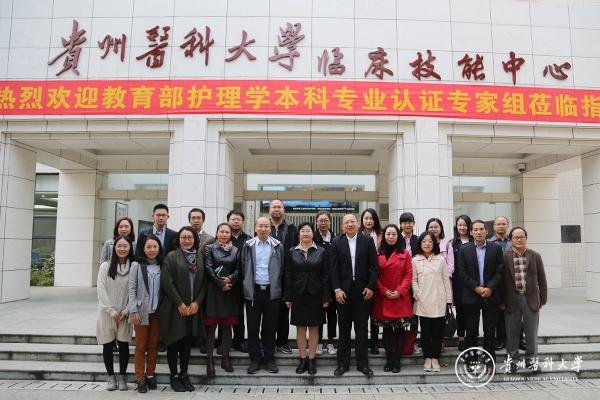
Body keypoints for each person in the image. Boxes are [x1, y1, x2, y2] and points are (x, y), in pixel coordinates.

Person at [159, 226, 207, 392]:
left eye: (190, 238)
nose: (187, 240)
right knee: (174, 341)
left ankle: (184, 374)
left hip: (192, 308)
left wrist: (197, 302)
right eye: (183, 237)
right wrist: (180, 303)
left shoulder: (199, 257)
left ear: (195, 239)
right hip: (174, 307)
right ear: (178, 240)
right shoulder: (171, 256)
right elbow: (167, 282)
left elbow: (205, 283)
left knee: (187, 343)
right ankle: (173, 376)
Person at [330, 213, 378, 377]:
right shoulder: (336, 242)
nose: (350, 225)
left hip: (363, 292)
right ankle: (342, 364)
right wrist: (337, 289)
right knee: (344, 329)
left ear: (358, 224)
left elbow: (374, 266)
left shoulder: (367, 241)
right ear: (342, 226)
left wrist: (371, 287)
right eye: (346, 223)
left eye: (352, 222)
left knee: (361, 329)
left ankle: (363, 364)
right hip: (343, 293)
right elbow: (333, 269)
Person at [284, 222, 331, 375]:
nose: (305, 233)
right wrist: (287, 296)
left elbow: (326, 275)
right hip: (298, 294)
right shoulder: (292, 251)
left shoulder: (321, 251)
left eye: (308, 231)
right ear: (299, 234)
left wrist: (326, 296)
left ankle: (311, 359)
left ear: (313, 234)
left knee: (314, 327)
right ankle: (302, 359)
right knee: (300, 328)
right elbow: (288, 275)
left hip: (316, 294)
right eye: (302, 231)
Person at [457, 220, 504, 368]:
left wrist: (490, 287)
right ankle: (471, 361)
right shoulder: (464, 249)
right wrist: (476, 287)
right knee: (471, 330)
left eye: (481, 229)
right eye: (475, 230)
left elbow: (500, 270)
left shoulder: (496, 248)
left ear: (486, 231)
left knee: (489, 330)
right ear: (471, 232)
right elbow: (462, 272)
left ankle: (489, 360)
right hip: (471, 295)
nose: (478, 232)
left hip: (491, 295)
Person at [241, 217, 285, 374]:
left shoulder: (277, 245)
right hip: (254, 292)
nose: (263, 229)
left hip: (271, 292)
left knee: (270, 328)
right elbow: (243, 267)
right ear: (255, 228)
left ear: (270, 228)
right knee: (253, 328)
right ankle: (254, 360)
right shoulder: (248, 245)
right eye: (260, 226)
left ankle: (269, 359)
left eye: (266, 226)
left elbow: (282, 268)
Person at [502, 227, 548, 374]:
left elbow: (542, 279)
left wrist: (542, 299)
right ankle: (512, 361)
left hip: (531, 299)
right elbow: (501, 281)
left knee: (531, 333)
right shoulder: (505, 256)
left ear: (526, 238)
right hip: (511, 299)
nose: (519, 240)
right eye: (516, 237)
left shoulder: (535, 256)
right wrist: (501, 301)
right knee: (512, 333)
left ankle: (531, 361)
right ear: (511, 240)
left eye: (522, 237)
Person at [371, 224, 413, 373]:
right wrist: (383, 290)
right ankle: (389, 358)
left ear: (398, 236)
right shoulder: (377, 253)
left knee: (400, 330)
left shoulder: (405, 254)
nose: (390, 237)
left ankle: (397, 359)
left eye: (394, 234)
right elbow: (373, 274)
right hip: (383, 297)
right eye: (388, 234)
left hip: (400, 297)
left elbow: (408, 275)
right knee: (387, 330)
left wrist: (400, 291)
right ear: (384, 236)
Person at [96, 235, 134, 391]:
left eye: (125, 246)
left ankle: (122, 377)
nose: (122, 249)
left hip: (125, 314)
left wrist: (126, 311)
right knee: (107, 345)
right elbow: (101, 290)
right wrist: (112, 311)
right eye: (119, 246)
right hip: (107, 313)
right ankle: (111, 377)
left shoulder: (134, 267)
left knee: (124, 345)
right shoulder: (105, 267)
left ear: (130, 248)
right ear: (114, 248)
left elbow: (135, 292)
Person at [412, 231, 453, 372]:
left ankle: (435, 357)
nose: (427, 243)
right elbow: (413, 280)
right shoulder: (415, 260)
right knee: (425, 332)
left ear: (434, 243)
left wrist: (448, 300)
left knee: (437, 332)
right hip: (422, 301)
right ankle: (427, 357)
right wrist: (418, 294)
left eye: (430, 241)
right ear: (420, 244)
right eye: (424, 241)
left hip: (438, 300)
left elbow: (446, 280)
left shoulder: (440, 259)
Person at [204, 223, 241, 377]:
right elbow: (208, 268)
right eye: (222, 232)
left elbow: (239, 268)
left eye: (227, 232)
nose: (224, 235)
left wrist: (230, 279)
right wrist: (221, 284)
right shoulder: (209, 248)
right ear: (217, 233)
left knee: (227, 327)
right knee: (211, 328)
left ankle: (226, 358)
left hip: (229, 291)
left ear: (231, 234)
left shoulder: (236, 250)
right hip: (214, 292)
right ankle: (210, 360)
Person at [128, 235, 163, 393]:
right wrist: (133, 310)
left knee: (154, 345)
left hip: (157, 313)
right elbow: (132, 288)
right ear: (143, 248)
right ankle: (140, 378)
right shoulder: (136, 265)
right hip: (141, 312)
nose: (152, 250)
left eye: (155, 247)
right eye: (148, 247)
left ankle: (150, 374)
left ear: (159, 248)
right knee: (141, 346)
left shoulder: (163, 265)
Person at [269, 199, 299, 355]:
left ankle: (282, 342)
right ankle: (267, 342)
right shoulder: (263, 226)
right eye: (273, 207)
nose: (276, 209)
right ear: (269, 210)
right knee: (268, 312)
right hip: (267, 275)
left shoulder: (291, 228)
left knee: (283, 311)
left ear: (284, 210)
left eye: (279, 207)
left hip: (286, 275)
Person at [359, 208, 383, 355]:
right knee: (362, 313)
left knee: (375, 312)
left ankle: (374, 342)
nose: (368, 221)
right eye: (366, 218)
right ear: (362, 220)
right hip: (361, 279)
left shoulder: (381, 235)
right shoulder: (357, 235)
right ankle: (362, 342)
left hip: (378, 277)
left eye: (371, 218)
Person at [227, 209, 251, 353]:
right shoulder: (223, 237)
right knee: (224, 312)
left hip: (243, 282)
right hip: (225, 281)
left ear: (243, 222)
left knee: (240, 313)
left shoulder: (249, 240)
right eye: (233, 219)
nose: (235, 222)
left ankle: (239, 341)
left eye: (238, 219)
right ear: (228, 221)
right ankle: (224, 341)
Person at [314, 210, 337, 356]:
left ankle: (330, 341)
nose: (323, 223)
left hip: (333, 282)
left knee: (332, 314)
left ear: (330, 222)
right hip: (317, 282)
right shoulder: (312, 238)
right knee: (318, 313)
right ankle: (318, 341)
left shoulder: (336, 239)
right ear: (316, 222)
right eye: (320, 220)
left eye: (326, 220)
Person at [451, 215, 473, 352]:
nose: (462, 227)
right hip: (458, 283)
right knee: (460, 312)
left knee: (471, 312)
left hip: (472, 283)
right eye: (460, 225)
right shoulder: (452, 243)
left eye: (465, 225)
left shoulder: (474, 241)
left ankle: (471, 337)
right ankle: (461, 338)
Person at [399, 212, 420, 355]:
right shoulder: (396, 238)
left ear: (413, 223)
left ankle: (412, 341)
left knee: (414, 311)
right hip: (400, 281)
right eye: (404, 222)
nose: (407, 225)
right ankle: (400, 341)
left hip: (416, 280)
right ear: (401, 224)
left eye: (409, 222)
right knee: (401, 310)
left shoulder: (418, 240)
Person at [490, 216, 512, 351]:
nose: (501, 226)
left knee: (514, 312)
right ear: (494, 226)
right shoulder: (489, 243)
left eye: (503, 223)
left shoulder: (514, 241)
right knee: (497, 314)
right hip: (496, 283)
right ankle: (500, 339)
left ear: (508, 225)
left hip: (512, 282)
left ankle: (516, 339)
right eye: (498, 224)